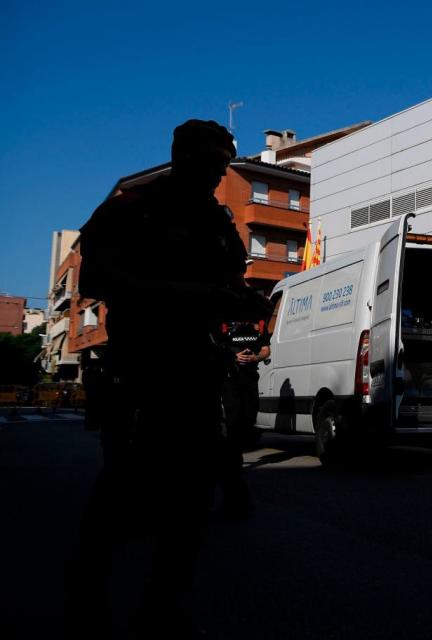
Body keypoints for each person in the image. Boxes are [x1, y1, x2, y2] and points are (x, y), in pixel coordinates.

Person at [69, 119, 272, 637]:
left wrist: (242, 300)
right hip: (141, 362)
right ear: (181, 156)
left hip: (196, 366)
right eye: (207, 162)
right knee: (125, 483)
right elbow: (93, 277)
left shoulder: (215, 218)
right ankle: (87, 594)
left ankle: (164, 603)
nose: (214, 173)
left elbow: (229, 279)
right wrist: (185, 294)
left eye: (221, 164)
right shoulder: (135, 206)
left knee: (193, 490)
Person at [216, 318, 271, 518]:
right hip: (230, 379)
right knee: (234, 421)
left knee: (248, 419)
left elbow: (266, 349)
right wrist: (232, 358)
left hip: (250, 378)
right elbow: (216, 346)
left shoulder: (259, 322)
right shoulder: (223, 321)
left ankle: (234, 452)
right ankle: (233, 461)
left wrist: (255, 357)